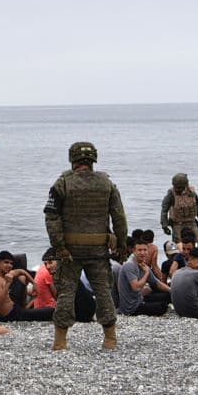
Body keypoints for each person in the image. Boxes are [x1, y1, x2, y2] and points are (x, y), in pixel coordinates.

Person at [44, 141, 127, 351]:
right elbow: (119, 216)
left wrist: (59, 247)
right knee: (103, 292)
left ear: (73, 159)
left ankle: (60, 341)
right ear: (93, 160)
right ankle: (110, 339)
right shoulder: (107, 184)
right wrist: (122, 245)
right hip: (99, 250)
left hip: (70, 251)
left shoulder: (62, 183)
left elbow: (52, 217)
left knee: (66, 293)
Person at [0, 251, 50, 322]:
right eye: (6, 262)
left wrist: (34, 284)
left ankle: (29, 304)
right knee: (50, 311)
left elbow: (21, 271)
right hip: (11, 315)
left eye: (11, 263)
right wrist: (8, 284)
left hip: (16, 309)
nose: (9, 265)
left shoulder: (6, 274)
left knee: (22, 277)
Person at [117, 240, 171, 316]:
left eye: (145, 250)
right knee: (163, 307)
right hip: (131, 307)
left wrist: (172, 291)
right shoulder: (130, 265)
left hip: (140, 298)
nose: (142, 253)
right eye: (139, 250)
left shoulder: (143, 264)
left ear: (148, 251)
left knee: (168, 295)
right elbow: (135, 288)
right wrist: (146, 274)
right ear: (134, 251)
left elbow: (156, 283)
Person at [160, 173, 198, 242]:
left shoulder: (192, 193)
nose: (177, 189)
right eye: (176, 187)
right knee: (180, 244)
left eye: (179, 188)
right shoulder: (171, 195)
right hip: (178, 224)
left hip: (192, 223)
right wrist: (164, 226)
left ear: (185, 186)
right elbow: (164, 211)